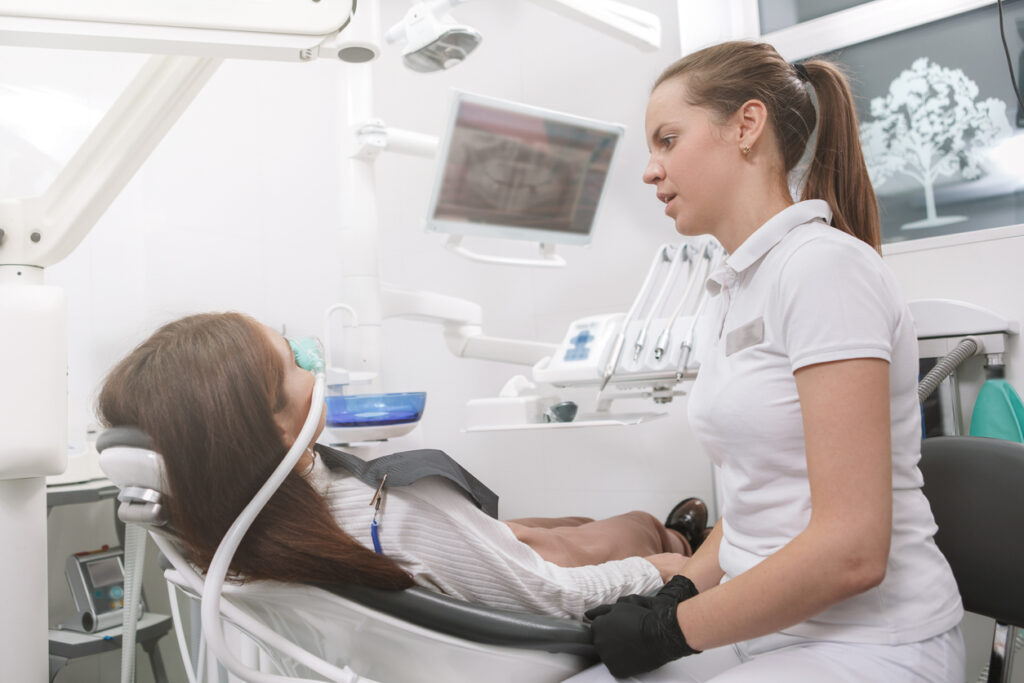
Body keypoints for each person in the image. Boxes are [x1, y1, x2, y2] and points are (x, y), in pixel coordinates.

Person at [573, 41, 966, 682]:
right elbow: (762, 502)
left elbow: (852, 553)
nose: (650, 170)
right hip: (765, 630)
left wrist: (671, 631)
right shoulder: (732, 289)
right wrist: (680, 592)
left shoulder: (823, 270)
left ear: (746, 126)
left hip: (872, 645)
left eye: (667, 140)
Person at [96, 311, 702, 621]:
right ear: (272, 430)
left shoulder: (221, 527)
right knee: (622, 531)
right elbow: (554, 598)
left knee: (548, 526)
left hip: (409, 555)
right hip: (502, 598)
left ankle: (620, 534)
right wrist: (667, 572)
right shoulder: (395, 510)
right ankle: (675, 533)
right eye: (294, 363)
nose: (313, 365)